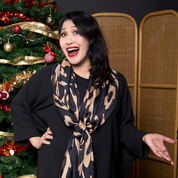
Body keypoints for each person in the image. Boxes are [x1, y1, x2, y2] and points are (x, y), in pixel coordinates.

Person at [10, 11, 176, 178]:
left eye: (76, 32)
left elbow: (122, 128)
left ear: (91, 37)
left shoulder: (115, 83)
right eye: (63, 34)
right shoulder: (48, 77)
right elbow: (19, 104)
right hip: (54, 170)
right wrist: (35, 139)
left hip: (102, 169)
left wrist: (144, 137)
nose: (68, 40)